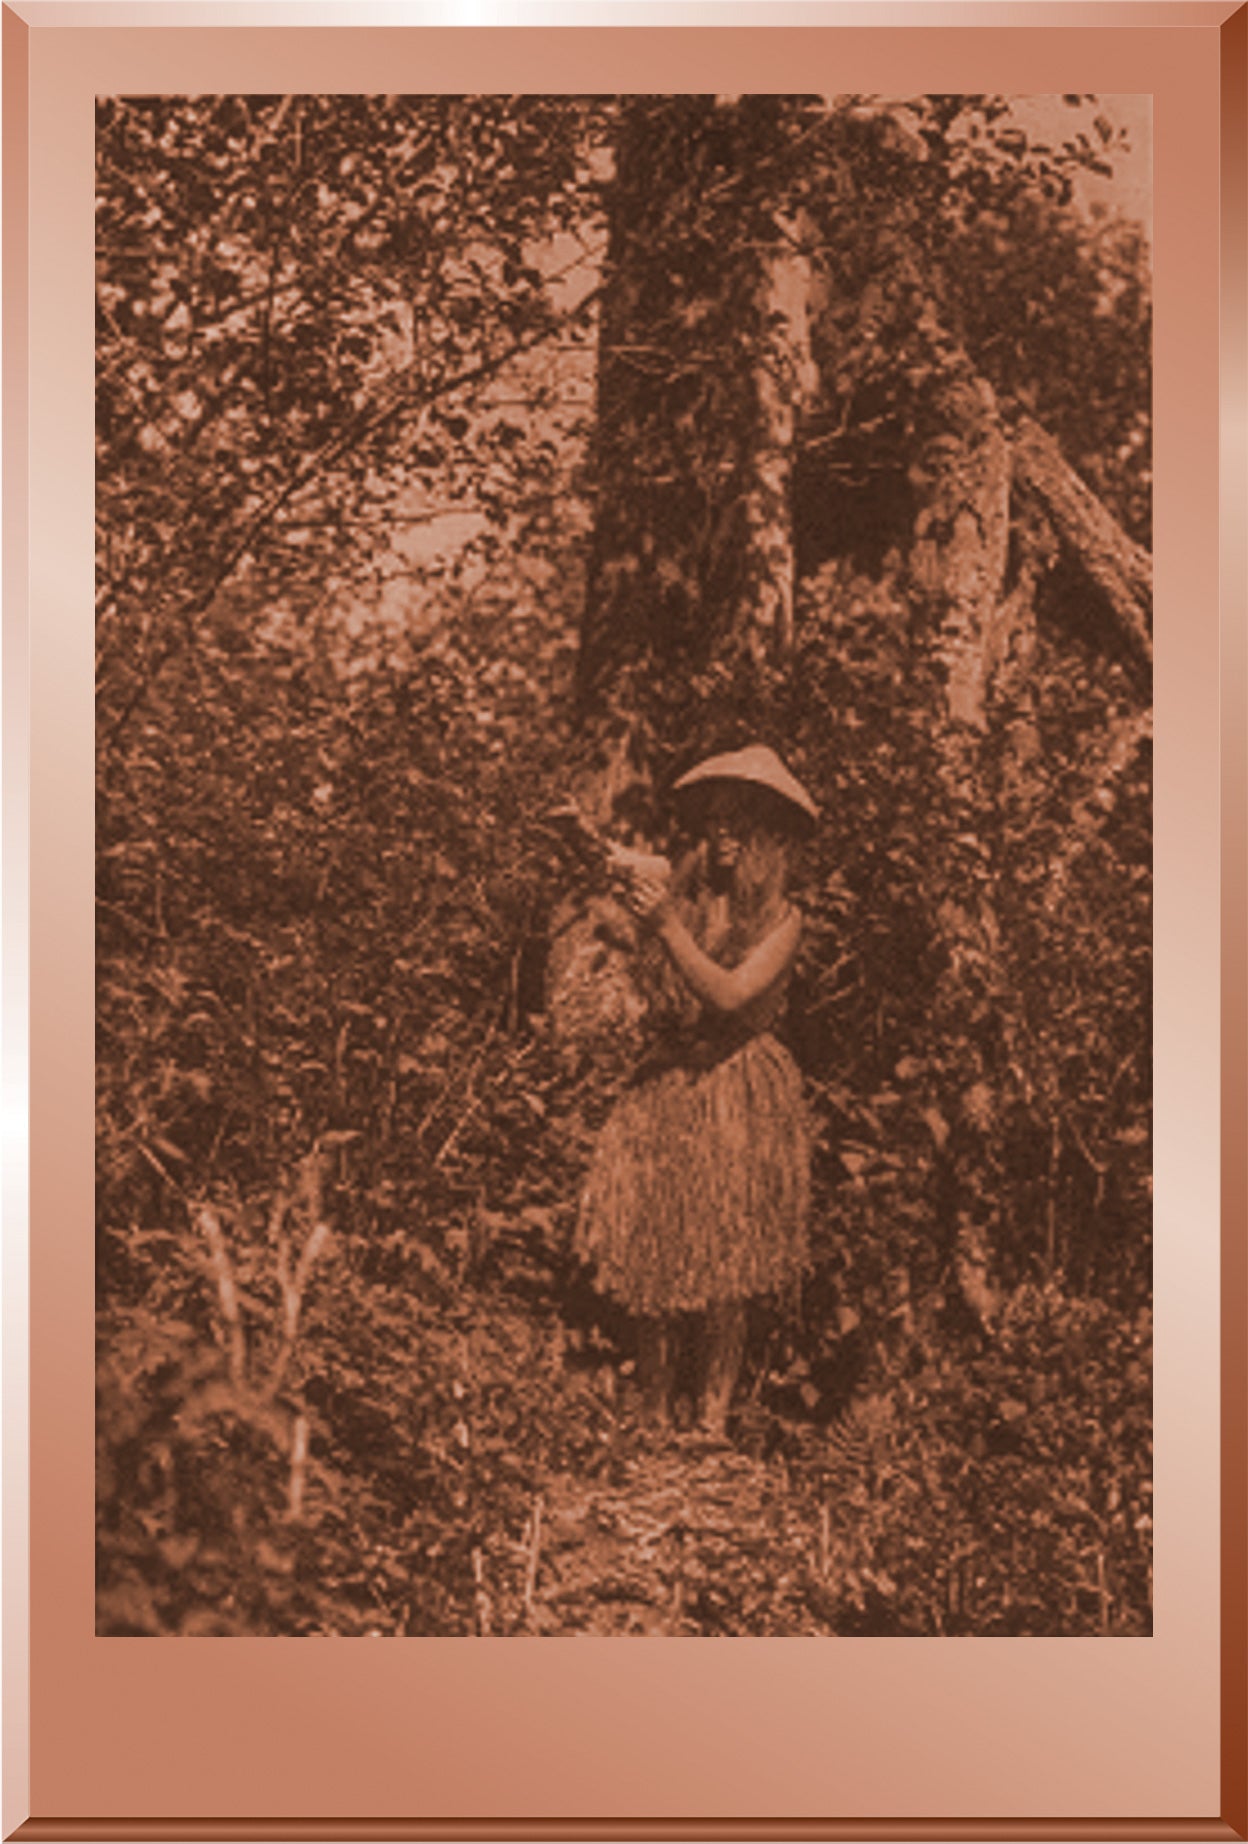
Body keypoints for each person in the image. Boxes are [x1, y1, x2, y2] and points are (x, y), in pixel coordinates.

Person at [574, 744, 817, 1440]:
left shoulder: (785, 919)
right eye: (715, 819)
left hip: (737, 1085)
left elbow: (732, 996)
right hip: (669, 1084)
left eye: (740, 821)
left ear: (771, 835)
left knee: (726, 1261)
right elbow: (629, 892)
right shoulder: (691, 890)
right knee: (654, 1247)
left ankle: (710, 1420)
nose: (722, 833)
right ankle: (654, 1411)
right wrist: (585, 846)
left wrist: (666, 927)